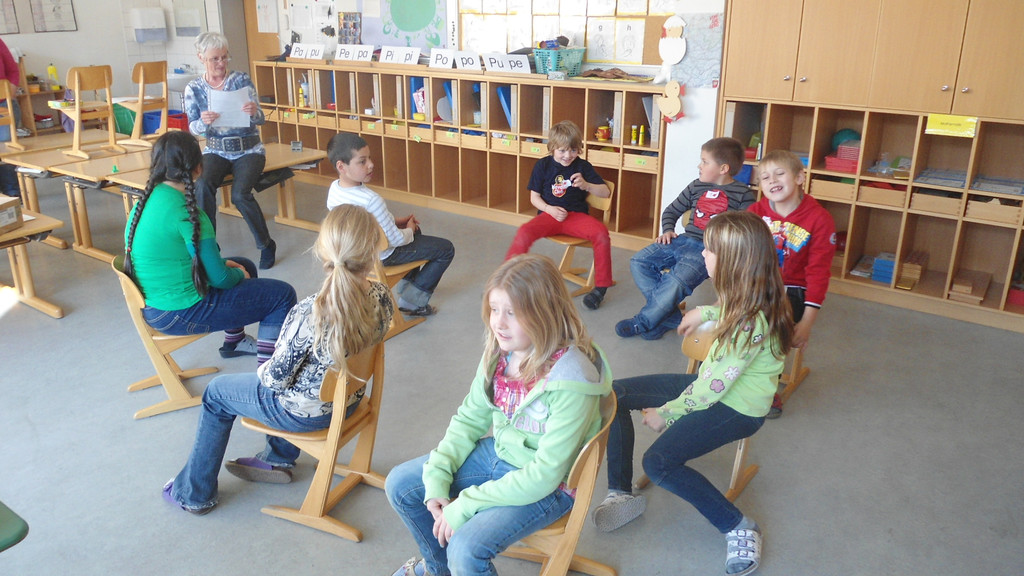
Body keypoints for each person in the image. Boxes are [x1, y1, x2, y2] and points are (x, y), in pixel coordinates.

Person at [592, 211, 794, 576]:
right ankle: (620, 493)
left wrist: (666, 413)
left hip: (738, 408)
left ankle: (738, 526)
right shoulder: (747, 294)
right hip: (712, 388)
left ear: (733, 262)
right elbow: (726, 331)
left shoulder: (750, 320)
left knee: (658, 463)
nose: (702, 254)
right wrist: (706, 311)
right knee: (615, 394)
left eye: (710, 250)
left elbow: (711, 388)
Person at [386, 254, 612, 576]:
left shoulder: (571, 379)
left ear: (546, 312)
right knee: (401, 485)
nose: (499, 323)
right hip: (501, 454)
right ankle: (439, 570)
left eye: (512, 313)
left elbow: (544, 475)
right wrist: (437, 475)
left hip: (547, 487)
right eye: (494, 309)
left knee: (465, 550)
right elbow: (469, 419)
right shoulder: (500, 354)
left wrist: (466, 504)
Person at [162, 204, 394, 515]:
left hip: (307, 415)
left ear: (323, 251)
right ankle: (276, 458)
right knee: (303, 382)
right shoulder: (382, 295)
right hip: (350, 402)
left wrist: (265, 365)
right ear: (372, 251)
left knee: (217, 393)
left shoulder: (311, 312)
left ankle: (194, 494)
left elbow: (273, 381)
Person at [123, 130, 296, 366]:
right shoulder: (188, 214)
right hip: (179, 313)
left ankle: (234, 342)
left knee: (243, 263)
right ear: (198, 168)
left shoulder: (147, 200)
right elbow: (220, 279)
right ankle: (271, 373)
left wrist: (234, 269)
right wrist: (238, 275)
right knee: (282, 295)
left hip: (154, 306)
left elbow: (182, 259)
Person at [617, 137, 754, 340]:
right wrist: (668, 230)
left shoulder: (744, 194)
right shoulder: (696, 186)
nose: (699, 166)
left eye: (705, 161)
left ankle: (643, 322)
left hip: (708, 250)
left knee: (676, 281)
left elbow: (743, 230)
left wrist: (719, 248)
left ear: (723, 168)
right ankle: (669, 316)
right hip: (682, 240)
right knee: (639, 261)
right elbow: (671, 211)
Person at [326, 132, 454, 317]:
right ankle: (412, 302)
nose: (371, 164)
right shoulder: (371, 199)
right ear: (341, 166)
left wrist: (392, 220)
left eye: (369, 158)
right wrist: (409, 229)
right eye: (362, 161)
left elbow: (363, 222)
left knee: (416, 234)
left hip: (356, 252)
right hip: (382, 256)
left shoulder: (335, 189)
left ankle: (408, 285)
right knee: (446, 249)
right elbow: (395, 240)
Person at [749, 150, 836, 418]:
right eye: (765, 177)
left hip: (793, 291)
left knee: (771, 335)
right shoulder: (754, 213)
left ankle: (766, 387)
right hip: (757, 285)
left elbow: (818, 273)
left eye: (779, 173)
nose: (772, 181)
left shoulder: (819, 219)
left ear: (799, 177)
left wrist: (807, 322)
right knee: (735, 323)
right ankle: (727, 372)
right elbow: (741, 257)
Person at [184, 32, 277, 269]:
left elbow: (261, 119)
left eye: (224, 57)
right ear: (201, 58)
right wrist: (204, 122)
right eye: (215, 58)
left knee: (240, 195)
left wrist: (253, 112)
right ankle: (208, 248)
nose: (221, 63)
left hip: (249, 149)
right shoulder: (194, 88)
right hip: (216, 149)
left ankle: (266, 244)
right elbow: (192, 127)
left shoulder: (240, 80)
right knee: (202, 186)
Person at [504, 120, 613, 310]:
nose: (567, 156)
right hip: (549, 215)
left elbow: (605, 192)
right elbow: (534, 198)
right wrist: (549, 209)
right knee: (524, 232)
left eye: (573, 150)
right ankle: (506, 280)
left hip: (576, 216)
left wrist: (587, 185)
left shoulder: (583, 166)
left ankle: (601, 288)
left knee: (601, 234)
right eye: (562, 151)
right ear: (552, 148)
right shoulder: (543, 165)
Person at [0, 38, 27, 198]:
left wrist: (11, 90)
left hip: (5, 104)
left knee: (6, 148)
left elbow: (13, 70)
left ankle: (13, 194)